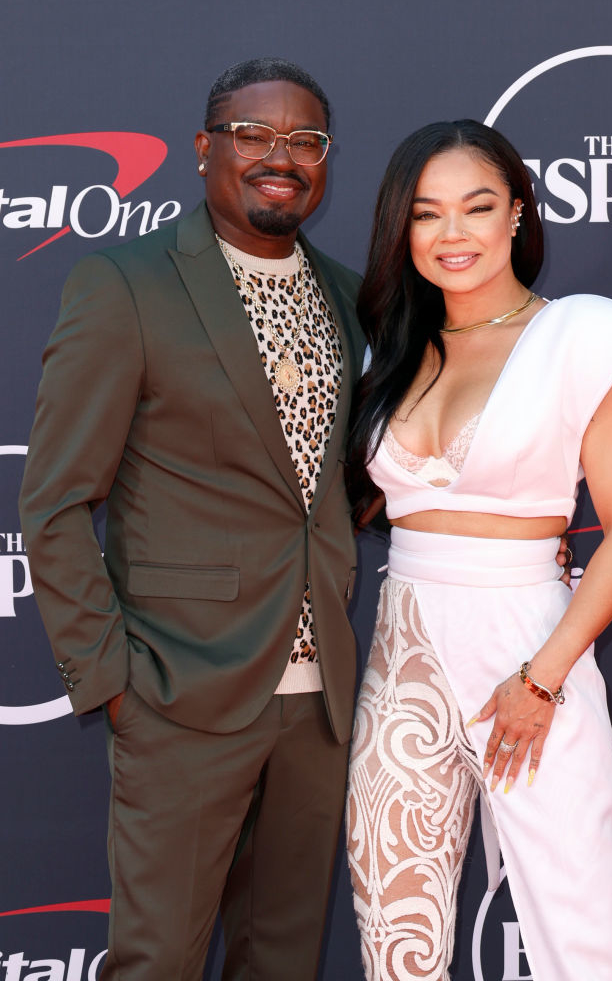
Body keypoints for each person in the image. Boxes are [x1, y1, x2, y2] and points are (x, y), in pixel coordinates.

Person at [19, 58, 366, 981]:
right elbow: (53, 503)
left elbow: (345, 485)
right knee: (159, 962)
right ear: (205, 148)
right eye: (253, 134)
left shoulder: (348, 295)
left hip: (318, 699)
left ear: (326, 161)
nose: (278, 156)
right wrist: (112, 680)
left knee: (284, 959)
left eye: (304, 140)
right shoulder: (125, 283)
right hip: (179, 691)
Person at [344, 119, 612, 981]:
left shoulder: (578, 336)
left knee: (579, 935)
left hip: (531, 648)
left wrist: (542, 678)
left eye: (476, 207)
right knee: (396, 932)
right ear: (402, 229)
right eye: (426, 215)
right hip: (404, 655)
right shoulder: (392, 349)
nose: (451, 234)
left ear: (516, 215)